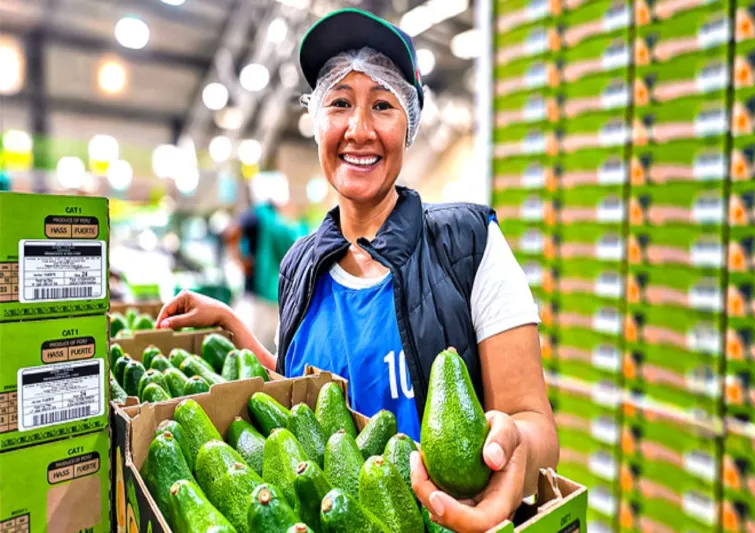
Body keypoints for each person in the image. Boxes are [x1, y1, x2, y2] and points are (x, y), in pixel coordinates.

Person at [156, 8, 558, 532]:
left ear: (409, 124)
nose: (359, 129)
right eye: (340, 103)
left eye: (383, 105)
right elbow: (305, 395)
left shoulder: (470, 245)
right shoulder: (300, 263)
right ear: (317, 121)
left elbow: (537, 426)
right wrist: (234, 327)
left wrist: (514, 447)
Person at [225, 179, 302, 352]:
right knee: (269, 349)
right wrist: (241, 259)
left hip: (256, 295)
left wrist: (240, 260)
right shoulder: (278, 223)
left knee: (250, 350)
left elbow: (231, 232)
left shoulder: (256, 216)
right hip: (275, 294)